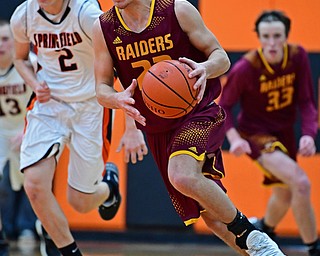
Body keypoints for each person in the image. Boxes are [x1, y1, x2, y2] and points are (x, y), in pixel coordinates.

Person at [92, 0, 286, 255]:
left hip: (198, 112)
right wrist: (116, 99)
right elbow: (101, 88)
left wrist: (205, 68)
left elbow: (221, 58)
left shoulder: (176, 9)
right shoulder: (103, 27)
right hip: (159, 129)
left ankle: (250, 233)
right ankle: (261, 250)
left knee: (182, 175)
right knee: (212, 215)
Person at [9, 0, 123, 255]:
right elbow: (19, 58)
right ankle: (67, 250)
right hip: (49, 105)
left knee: (80, 202)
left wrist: (134, 128)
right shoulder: (24, 16)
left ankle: (109, 188)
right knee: (35, 185)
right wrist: (35, 84)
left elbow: (121, 62)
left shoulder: (87, 14)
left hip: (91, 105)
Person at [219, 10, 320, 256]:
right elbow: (223, 107)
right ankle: (314, 248)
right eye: (266, 36)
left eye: (277, 36)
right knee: (301, 182)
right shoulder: (246, 68)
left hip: (284, 133)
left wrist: (309, 133)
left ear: (286, 36)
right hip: (256, 134)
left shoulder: (298, 57)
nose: (272, 43)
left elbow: (307, 101)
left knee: (284, 194)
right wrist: (234, 138)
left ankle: (265, 228)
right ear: (259, 38)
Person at [0, 18, 37, 252]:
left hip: (30, 130)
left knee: (33, 183)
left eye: (4, 39)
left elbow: (46, 102)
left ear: (15, 42)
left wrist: (28, 131)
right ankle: (7, 230)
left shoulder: (30, 64)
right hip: (2, 131)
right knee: (4, 185)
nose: (0, 45)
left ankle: (29, 228)